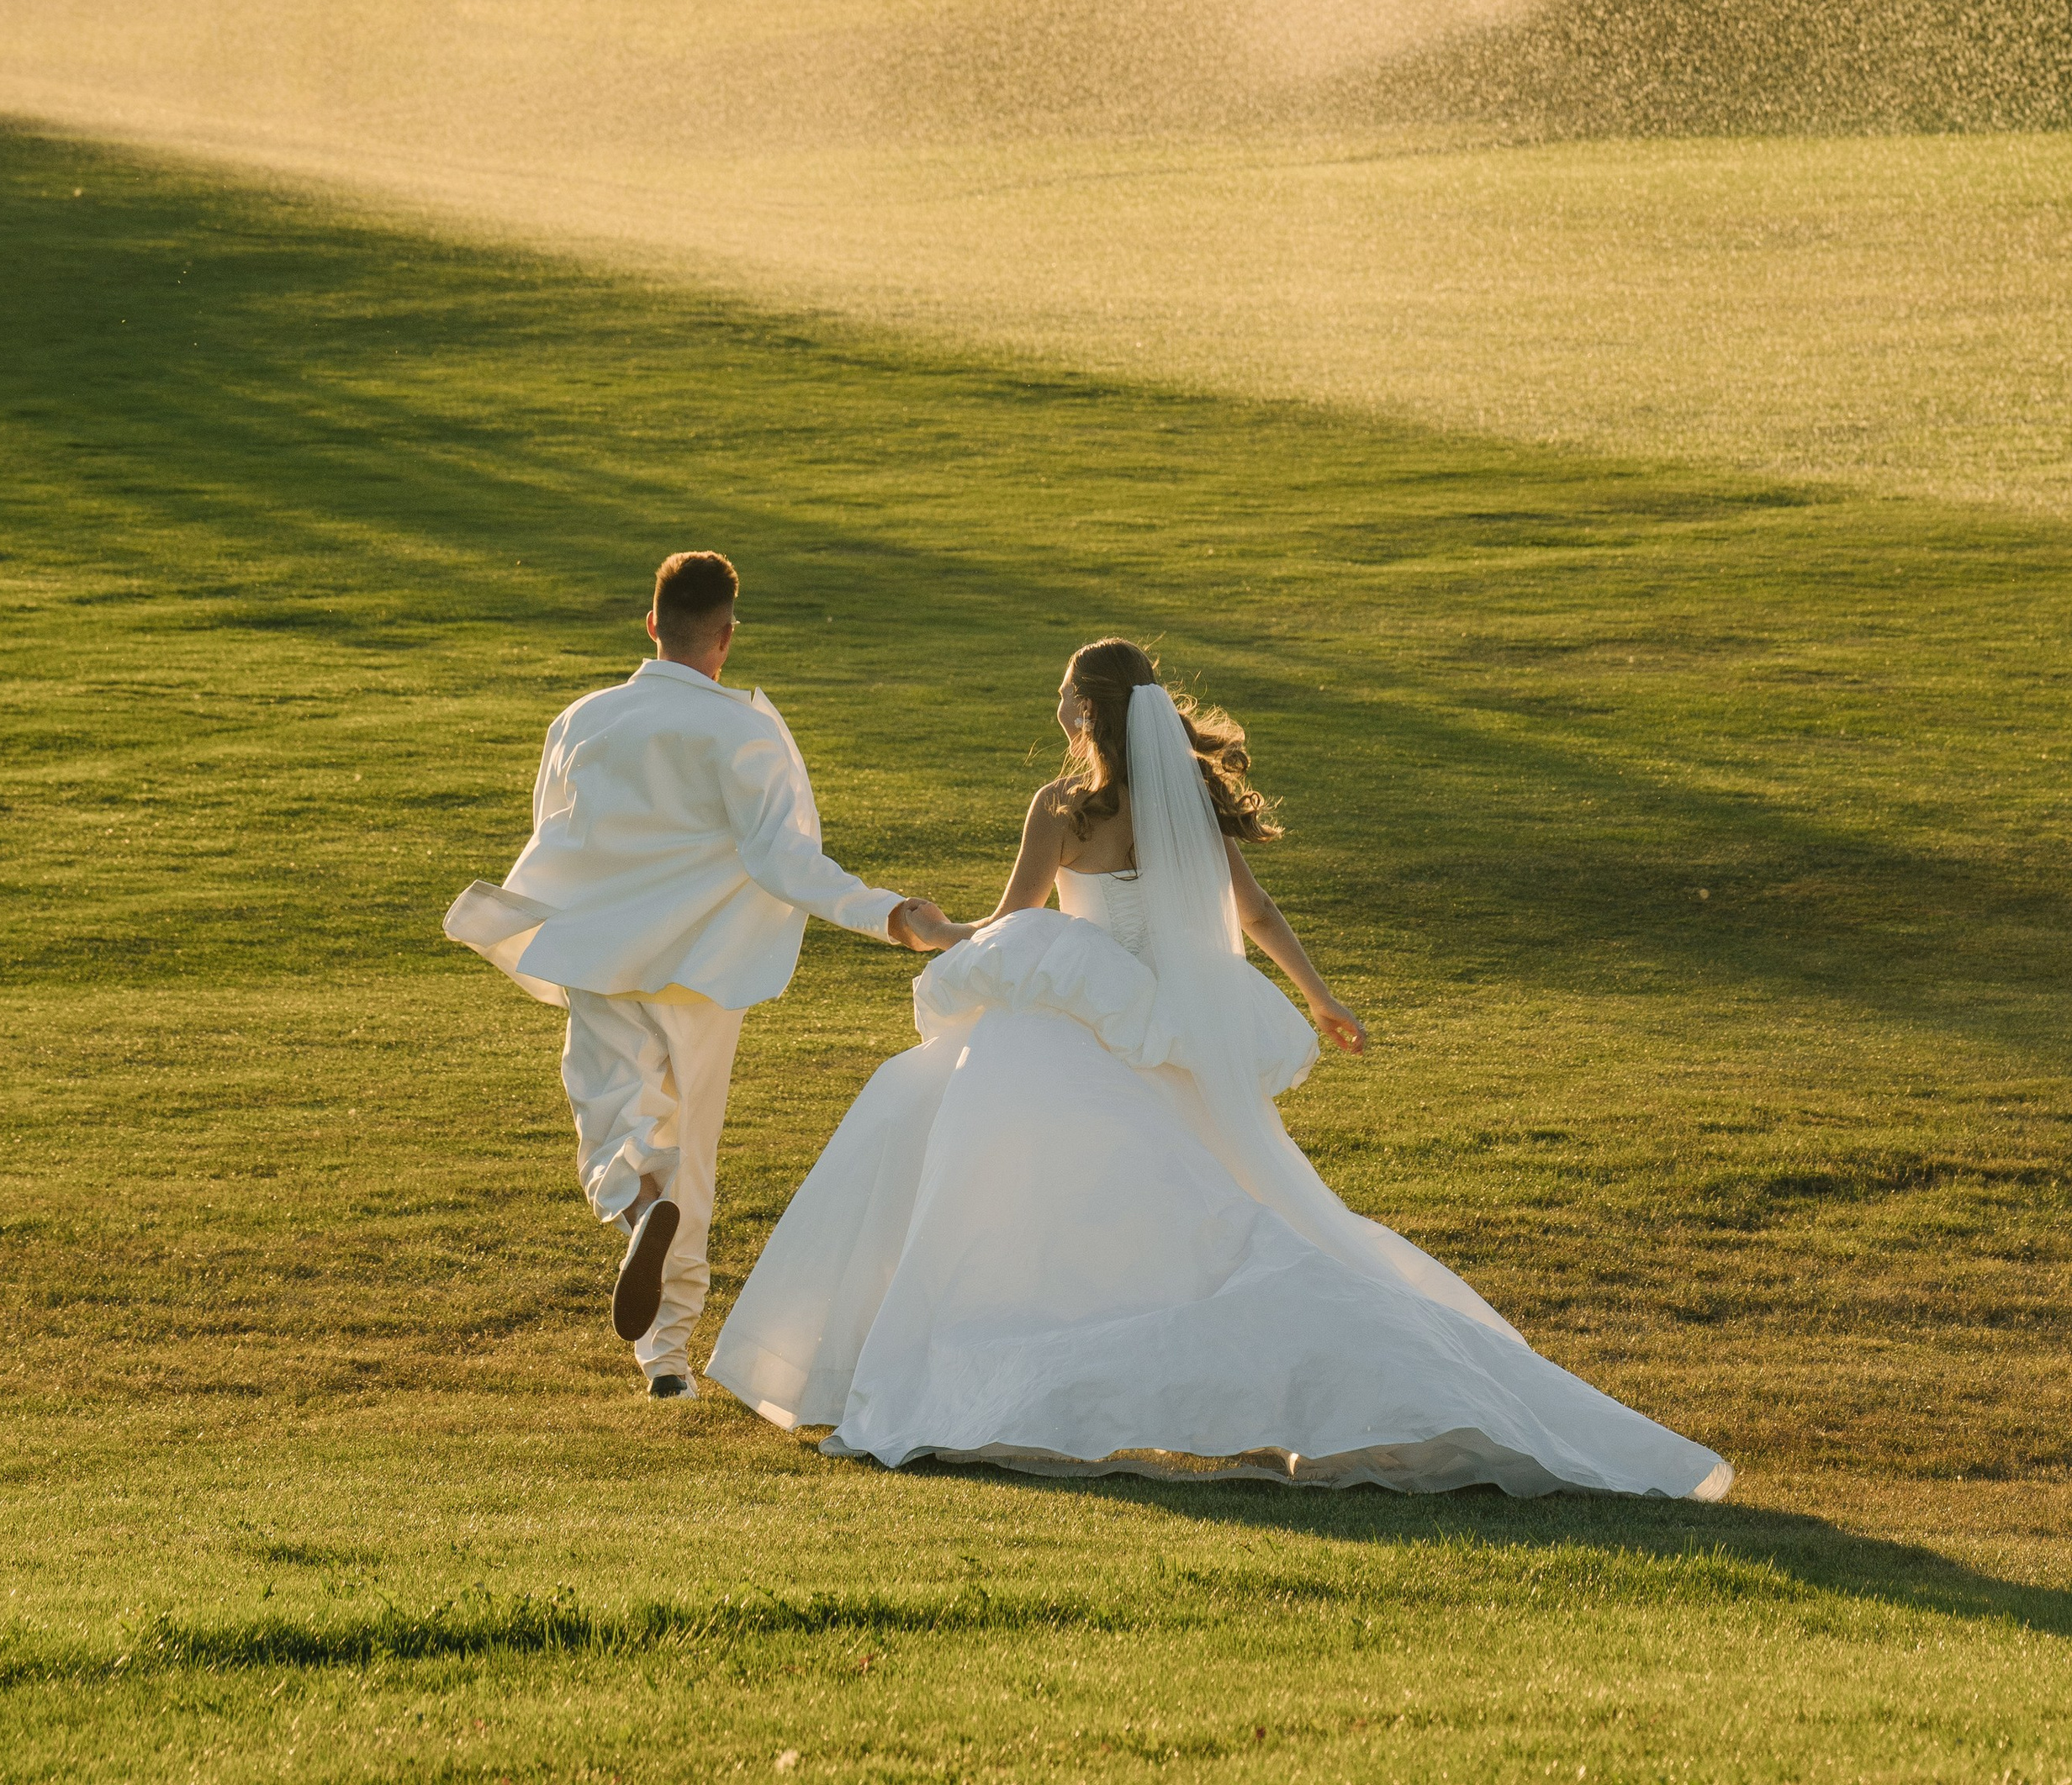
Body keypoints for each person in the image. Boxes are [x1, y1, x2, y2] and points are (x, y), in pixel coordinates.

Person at [709, 638, 1731, 1497]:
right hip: (1171, 1032)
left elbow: (1013, 921)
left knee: (1005, 1162)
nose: (1055, 698)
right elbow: (1255, 914)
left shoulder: (1061, 810)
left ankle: (975, 1369)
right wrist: (1320, 998)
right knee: (1230, 1203)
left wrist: (939, 932)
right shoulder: (1179, 804)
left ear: (1084, 708)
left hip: (1087, 1023)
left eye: (1065, 686)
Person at [444, 550, 948, 1396]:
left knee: (612, 1119)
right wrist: (889, 914)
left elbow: (558, 834)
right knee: (694, 1154)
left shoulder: (584, 718)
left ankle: (640, 1222)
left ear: (651, 625)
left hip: (600, 955)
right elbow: (785, 861)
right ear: (726, 636)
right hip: (705, 971)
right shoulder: (744, 729)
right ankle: (667, 1357)